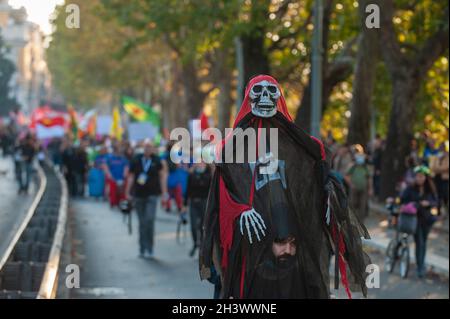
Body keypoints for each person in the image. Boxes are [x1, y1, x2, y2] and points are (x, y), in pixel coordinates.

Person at [200, 75, 370, 299]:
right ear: (248, 98)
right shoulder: (233, 147)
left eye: (271, 91)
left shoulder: (297, 143)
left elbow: (318, 175)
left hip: (289, 237)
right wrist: (238, 209)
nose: (264, 97)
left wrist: (328, 195)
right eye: (258, 91)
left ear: (279, 97)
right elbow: (222, 190)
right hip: (251, 242)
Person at [126, 142, 168, 258]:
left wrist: (164, 192)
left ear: (153, 149)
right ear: (143, 149)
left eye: (150, 147)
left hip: (152, 195)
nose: (148, 149)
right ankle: (142, 248)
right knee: (142, 223)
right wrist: (127, 192)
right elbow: (131, 177)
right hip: (139, 195)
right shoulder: (136, 160)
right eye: (146, 147)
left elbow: (162, 176)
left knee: (149, 220)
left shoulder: (157, 161)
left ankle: (150, 248)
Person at [400, 166, 438, 278]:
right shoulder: (410, 188)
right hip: (414, 219)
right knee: (419, 242)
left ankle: (421, 264)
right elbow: (402, 199)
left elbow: (436, 202)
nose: (420, 178)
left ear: (426, 177)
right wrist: (414, 204)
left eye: (422, 176)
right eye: (418, 176)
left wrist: (429, 203)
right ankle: (420, 267)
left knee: (424, 242)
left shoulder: (430, 189)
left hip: (427, 220)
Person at [185, 161, 212, 257]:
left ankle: (201, 246)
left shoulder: (209, 176)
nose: (200, 165)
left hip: (204, 203)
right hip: (193, 203)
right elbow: (187, 190)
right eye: (198, 163)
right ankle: (195, 243)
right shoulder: (191, 175)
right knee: (193, 225)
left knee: (202, 226)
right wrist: (184, 205)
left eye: (202, 163)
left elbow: (210, 190)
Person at [345, 145, 372, 222]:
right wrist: (351, 184)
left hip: (364, 189)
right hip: (354, 189)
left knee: (362, 205)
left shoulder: (365, 167)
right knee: (353, 204)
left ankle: (361, 221)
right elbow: (347, 176)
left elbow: (369, 178)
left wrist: (370, 188)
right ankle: (352, 220)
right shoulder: (353, 166)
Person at [430, 142, 449, 215]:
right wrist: (441, 169)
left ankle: (446, 207)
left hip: (445, 179)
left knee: (445, 194)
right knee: (437, 194)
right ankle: (438, 210)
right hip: (437, 178)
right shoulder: (436, 156)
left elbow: (447, 167)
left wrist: (438, 169)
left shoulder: (447, 156)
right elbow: (432, 167)